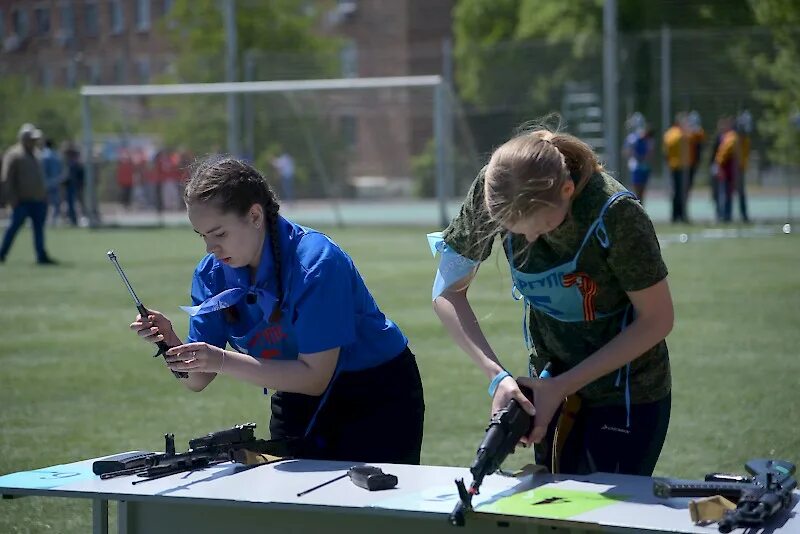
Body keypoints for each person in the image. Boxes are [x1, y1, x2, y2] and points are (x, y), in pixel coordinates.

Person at [129, 156, 425, 464]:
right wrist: (170, 343)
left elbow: (315, 378)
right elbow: (197, 380)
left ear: (255, 215)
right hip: (294, 392)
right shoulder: (210, 273)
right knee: (290, 506)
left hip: (374, 393)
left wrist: (220, 359)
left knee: (374, 506)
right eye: (202, 236)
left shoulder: (316, 263)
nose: (210, 248)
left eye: (219, 234)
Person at [429, 123, 673, 476]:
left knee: (601, 520)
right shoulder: (497, 188)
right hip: (547, 387)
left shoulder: (616, 214)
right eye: (512, 230)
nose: (528, 239)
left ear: (568, 189)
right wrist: (499, 378)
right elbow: (446, 292)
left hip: (627, 392)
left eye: (541, 227)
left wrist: (561, 386)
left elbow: (658, 319)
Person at [0, 123, 58, 265]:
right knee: (13, 228)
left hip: (38, 200)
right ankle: (2, 253)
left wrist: (43, 195)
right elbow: (7, 179)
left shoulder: (37, 154)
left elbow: (40, 177)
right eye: (31, 139)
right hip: (21, 201)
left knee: (39, 229)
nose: (34, 142)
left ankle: (41, 255)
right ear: (24, 139)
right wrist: (11, 199)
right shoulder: (14, 155)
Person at [663, 113, 691, 223]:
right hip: (681, 166)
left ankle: (675, 215)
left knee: (676, 192)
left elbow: (665, 152)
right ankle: (682, 215)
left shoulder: (668, 134)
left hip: (672, 165)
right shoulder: (681, 134)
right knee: (681, 192)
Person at [622, 112, 654, 203]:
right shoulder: (632, 138)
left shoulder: (645, 137)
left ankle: (640, 207)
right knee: (638, 191)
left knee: (641, 191)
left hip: (643, 166)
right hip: (636, 166)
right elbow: (626, 152)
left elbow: (650, 151)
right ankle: (639, 206)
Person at [40, 139, 64, 225]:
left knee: (44, 201)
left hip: (46, 181)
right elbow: (60, 169)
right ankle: (54, 219)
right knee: (56, 202)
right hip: (56, 181)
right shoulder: (56, 155)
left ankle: (45, 219)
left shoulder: (43, 155)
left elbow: (42, 170)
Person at [62, 144, 86, 226]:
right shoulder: (70, 163)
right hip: (71, 186)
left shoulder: (75, 163)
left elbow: (77, 176)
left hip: (74, 186)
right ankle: (73, 219)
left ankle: (75, 219)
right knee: (71, 204)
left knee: (75, 203)